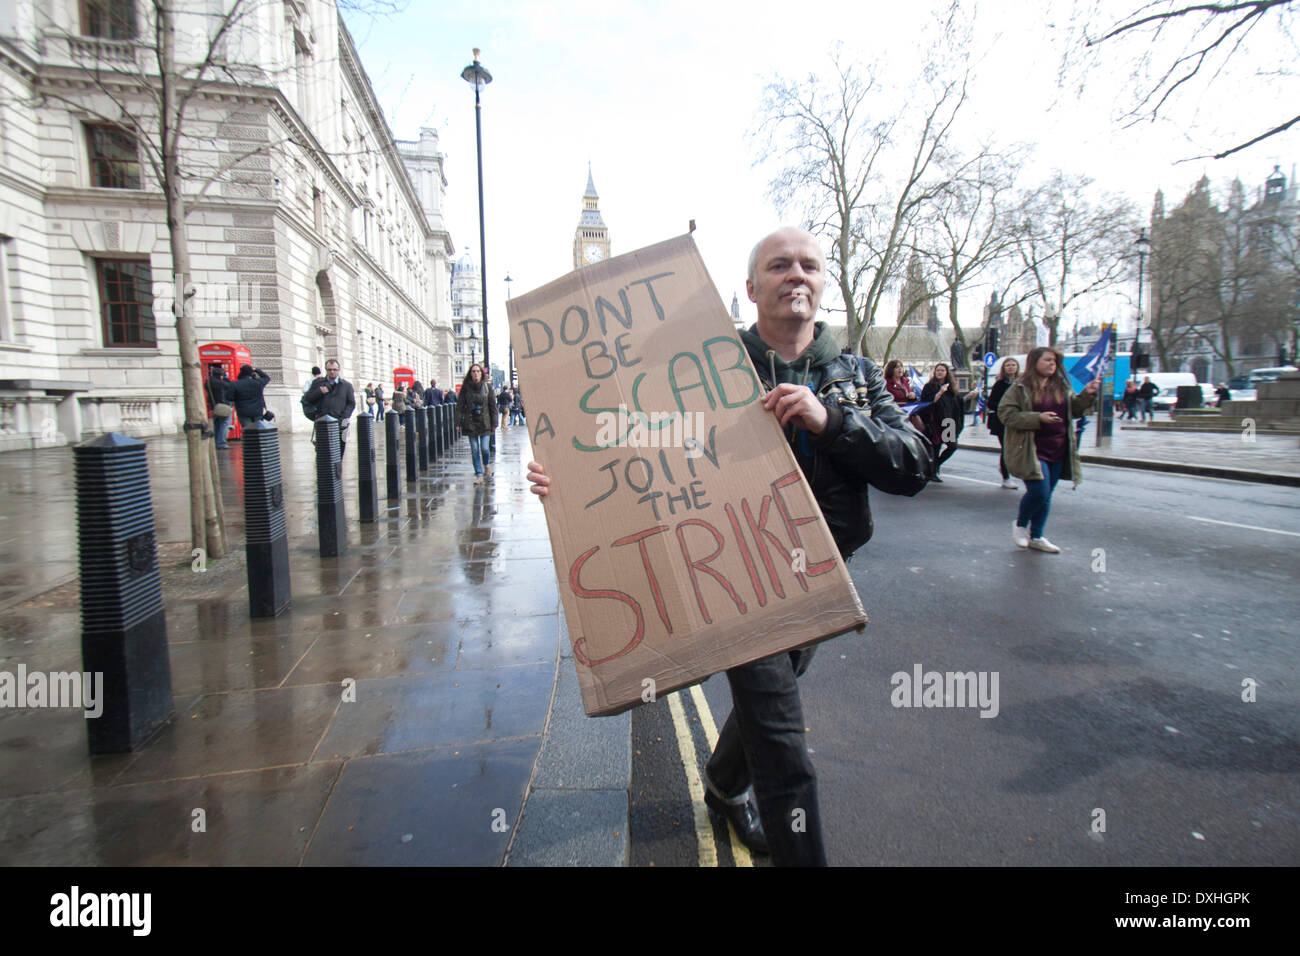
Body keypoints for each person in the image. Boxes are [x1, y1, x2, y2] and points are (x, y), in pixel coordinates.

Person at [526, 227, 933, 866]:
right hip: (741, 568)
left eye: (808, 265)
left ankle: (719, 785)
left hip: (824, 570)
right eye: (778, 266)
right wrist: (568, 480)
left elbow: (912, 466)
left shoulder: (852, 374)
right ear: (750, 288)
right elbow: (632, 436)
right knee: (780, 733)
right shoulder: (713, 362)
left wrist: (832, 423)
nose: (796, 275)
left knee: (772, 699)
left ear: (823, 284)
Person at [997, 346, 1099, 554]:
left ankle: (1037, 536)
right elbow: (1006, 414)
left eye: (1054, 361)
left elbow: (1075, 409)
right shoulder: (1020, 387)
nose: (1052, 364)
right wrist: (1037, 418)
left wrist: (1087, 394)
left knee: (1046, 496)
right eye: (1047, 360)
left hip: (1059, 447)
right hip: (1031, 448)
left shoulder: (1061, 386)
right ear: (1035, 362)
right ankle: (1020, 524)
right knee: (1039, 491)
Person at [920, 363, 978, 483]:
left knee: (952, 446)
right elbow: (927, 402)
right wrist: (940, 392)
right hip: (935, 420)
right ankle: (933, 471)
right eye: (938, 370)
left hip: (948, 421)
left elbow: (957, 403)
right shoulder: (930, 386)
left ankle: (935, 466)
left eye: (942, 370)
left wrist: (968, 397)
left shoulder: (951, 389)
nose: (940, 372)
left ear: (947, 373)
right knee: (936, 446)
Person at [301, 358, 357, 453]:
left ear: (338, 370)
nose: (332, 372)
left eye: (334, 369)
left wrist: (344, 417)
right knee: (323, 454)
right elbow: (307, 398)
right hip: (322, 423)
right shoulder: (318, 383)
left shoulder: (346, 385)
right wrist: (319, 392)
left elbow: (351, 403)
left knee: (339, 451)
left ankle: (338, 468)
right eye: (329, 369)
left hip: (341, 424)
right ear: (326, 370)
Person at [457, 363, 497, 481]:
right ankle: (479, 474)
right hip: (471, 422)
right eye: (473, 371)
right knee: (474, 449)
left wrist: (494, 423)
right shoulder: (465, 388)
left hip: (485, 422)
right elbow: (459, 406)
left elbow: (493, 406)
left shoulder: (487, 387)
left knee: (485, 448)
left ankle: (486, 465)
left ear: (481, 373)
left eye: (478, 371)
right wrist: (458, 422)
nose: (476, 374)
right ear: (470, 374)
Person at [987, 357, 1020, 488]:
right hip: (1003, 421)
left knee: (1016, 449)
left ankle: (1007, 469)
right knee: (1006, 449)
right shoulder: (1000, 384)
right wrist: (1004, 409)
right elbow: (991, 403)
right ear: (1004, 368)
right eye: (1008, 365)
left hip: (1018, 420)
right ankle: (1006, 478)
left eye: (1013, 365)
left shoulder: (1020, 383)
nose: (1011, 367)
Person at [230, 363, 272, 432]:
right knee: (258, 431)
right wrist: (257, 370)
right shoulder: (258, 383)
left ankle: (250, 442)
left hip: (243, 411)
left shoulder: (235, 384)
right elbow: (266, 378)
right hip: (257, 411)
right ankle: (258, 442)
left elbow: (229, 397)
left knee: (248, 431)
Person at [205, 364, 232, 449]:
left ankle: (216, 441)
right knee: (224, 424)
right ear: (221, 375)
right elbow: (230, 386)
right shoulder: (221, 383)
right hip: (223, 406)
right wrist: (226, 377)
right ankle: (221, 442)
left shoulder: (207, 383)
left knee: (216, 425)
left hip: (214, 406)